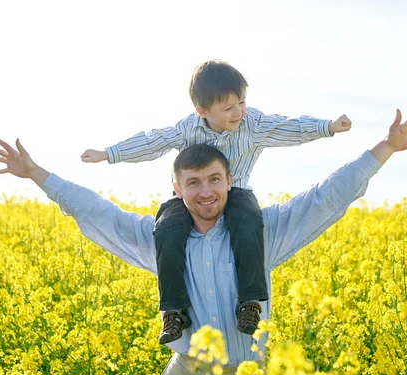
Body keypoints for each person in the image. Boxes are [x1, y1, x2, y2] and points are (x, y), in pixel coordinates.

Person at [0, 102, 407, 375]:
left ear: (229, 181)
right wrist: (36, 174)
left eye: (214, 180)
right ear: (177, 188)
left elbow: (327, 196)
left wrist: (386, 148)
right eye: (194, 183)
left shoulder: (260, 233)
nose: (206, 192)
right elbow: (97, 211)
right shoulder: (160, 238)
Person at [79, 59, 353, 344]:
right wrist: (108, 153)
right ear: (202, 111)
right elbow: (153, 142)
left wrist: (328, 127)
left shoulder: (253, 123)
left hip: (237, 193)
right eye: (229, 108)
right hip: (190, 198)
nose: (239, 112)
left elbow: (288, 128)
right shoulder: (188, 127)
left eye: (242, 103)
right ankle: (173, 311)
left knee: (248, 224)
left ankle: (250, 304)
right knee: (166, 230)